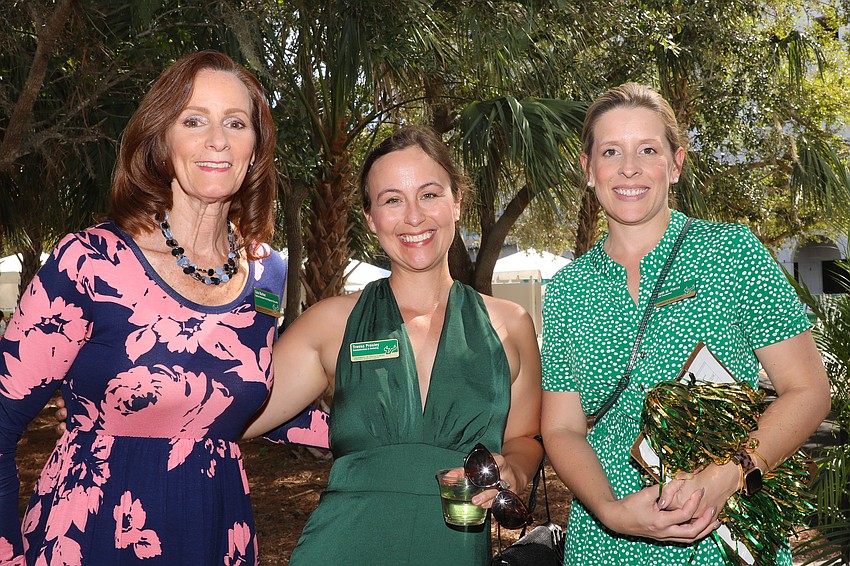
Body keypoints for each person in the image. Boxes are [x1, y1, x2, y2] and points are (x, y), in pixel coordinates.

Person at [0, 50, 321, 565]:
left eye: (236, 123)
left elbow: (243, 399)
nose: (217, 139)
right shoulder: (90, 261)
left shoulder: (268, 273)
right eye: (194, 120)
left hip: (215, 533)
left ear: (255, 148)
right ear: (161, 140)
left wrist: (383, 434)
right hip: (91, 535)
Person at [540, 82, 831, 565]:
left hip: (723, 531)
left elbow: (808, 391)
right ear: (589, 170)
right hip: (606, 543)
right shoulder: (569, 288)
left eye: (647, 150)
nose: (629, 168)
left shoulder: (732, 253)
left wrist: (731, 473)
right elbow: (563, 428)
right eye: (611, 151)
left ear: (675, 164)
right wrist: (610, 512)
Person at [242, 125, 544, 565]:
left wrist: (514, 468)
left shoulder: (510, 325)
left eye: (430, 194)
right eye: (391, 200)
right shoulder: (331, 323)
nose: (414, 217)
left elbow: (524, 437)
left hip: (454, 550)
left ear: (457, 201)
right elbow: (236, 413)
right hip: (341, 546)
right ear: (370, 218)